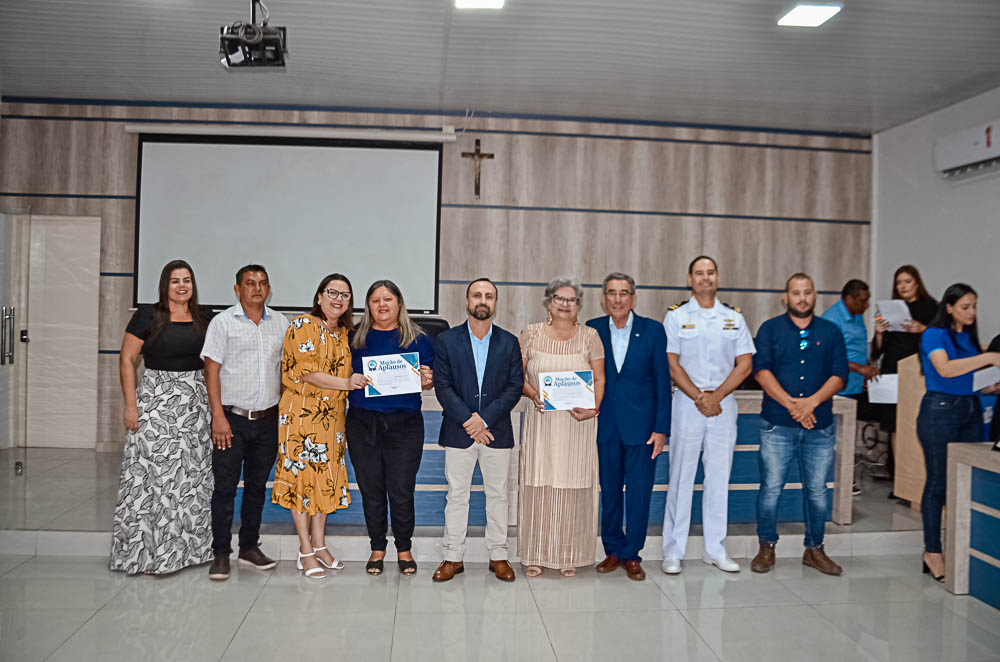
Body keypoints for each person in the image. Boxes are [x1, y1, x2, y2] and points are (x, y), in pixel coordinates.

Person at [111, 260, 214, 575]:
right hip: (155, 405)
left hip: (195, 406)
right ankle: (147, 554)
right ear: (164, 285)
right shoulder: (147, 316)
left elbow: (215, 363)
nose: (182, 286)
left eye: (187, 280)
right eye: (175, 281)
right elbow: (127, 360)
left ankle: (189, 553)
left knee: (191, 480)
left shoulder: (205, 318)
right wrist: (131, 405)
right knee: (154, 480)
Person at [750, 273, 848, 576]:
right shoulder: (770, 330)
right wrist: (793, 405)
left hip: (819, 427)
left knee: (818, 491)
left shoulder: (831, 332)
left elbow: (840, 374)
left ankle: (815, 549)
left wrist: (811, 403)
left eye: (807, 292)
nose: (802, 298)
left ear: (815, 295)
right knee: (771, 489)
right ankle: (766, 546)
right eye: (796, 293)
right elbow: (761, 371)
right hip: (777, 425)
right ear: (786, 297)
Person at [661, 257, 754, 575]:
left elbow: (745, 364)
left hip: (723, 404)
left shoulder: (733, 318)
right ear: (690, 279)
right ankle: (673, 550)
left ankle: (715, 549)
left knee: (718, 479)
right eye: (699, 273)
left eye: (710, 272)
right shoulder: (676, 316)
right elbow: (672, 363)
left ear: (718, 277)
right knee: (681, 478)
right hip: (687, 404)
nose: (705, 278)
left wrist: (716, 396)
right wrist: (701, 396)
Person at [272, 274, 368, 578]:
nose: (338, 299)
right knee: (301, 479)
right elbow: (307, 372)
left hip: (333, 418)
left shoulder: (345, 333)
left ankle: (319, 543)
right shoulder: (302, 326)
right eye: (332, 292)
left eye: (345, 295)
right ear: (319, 296)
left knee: (326, 478)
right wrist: (346, 383)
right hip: (300, 416)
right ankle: (304, 549)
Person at [432, 278, 525, 583]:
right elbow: (443, 387)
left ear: (495, 303)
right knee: (457, 496)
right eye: (477, 295)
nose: (482, 300)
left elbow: (513, 388)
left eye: (489, 296)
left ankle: (498, 556)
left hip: (495, 432)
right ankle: (452, 557)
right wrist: (470, 421)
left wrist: (483, 421)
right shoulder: (446, 340)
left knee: (498, 495)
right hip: (459, 431)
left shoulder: (509, 342)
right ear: (467, 301)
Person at [201, 265, 289, 581]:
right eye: (250, 283)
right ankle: (221, 553)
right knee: (224, 488)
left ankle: (249, 547)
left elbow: (285, 370)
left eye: (263, 283)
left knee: (256, 487)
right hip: (231, 420)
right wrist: (218, 417)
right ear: (237, 290)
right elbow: (211, 370)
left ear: (269, 288)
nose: (257, 288)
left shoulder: (280, 324)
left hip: (267, 420)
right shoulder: (223, 323)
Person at [585, 272, 670, 581]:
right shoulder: (592, 329)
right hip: (605, 426)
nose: (617, 299)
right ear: (604, 298)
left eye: (623, 293)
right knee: (609, 492)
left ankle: (633, 554)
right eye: (611, 293)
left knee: (638, 493)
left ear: (633, 298)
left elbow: (663, 381)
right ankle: (613, 551)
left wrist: (661, 429)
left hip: (643, 429)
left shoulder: (653, 331)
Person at [346, 280, 434, 576]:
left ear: (399, 304)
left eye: (388, 299)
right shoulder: (353, 337)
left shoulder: (419, 339)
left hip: (405, 426)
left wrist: (427, 379)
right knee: (371, 489)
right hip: (362, 424)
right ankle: (377, 548)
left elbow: (432, 379)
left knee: (401, 489)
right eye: (375, 300)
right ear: (368, 306)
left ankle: (404, 548)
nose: (382, 305)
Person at [518, 276, 605, 577]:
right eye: (559, 298)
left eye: (571, 300)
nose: (565, 304)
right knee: (539, 482)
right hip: (542, 421)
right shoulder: (531, 333)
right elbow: (517, 376)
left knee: (573, 483)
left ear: (579, 305)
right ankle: (535, 554)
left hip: (577, 424)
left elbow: (601, 378)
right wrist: (534, 395)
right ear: (548, 301)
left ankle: (570, 554)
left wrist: (594, 408)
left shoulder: (590, 336)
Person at [916, 284, 1000, 581]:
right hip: (940, 411)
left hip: (970, 408)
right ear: (949, 307)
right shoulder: (933, 335)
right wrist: (989, 357)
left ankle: (963, 546)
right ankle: (932, 551)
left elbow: (970, 380)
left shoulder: (968, 339)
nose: (972, 312)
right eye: (965, 306)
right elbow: (946, 370)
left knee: (967, 480)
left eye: (974, 306)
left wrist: (991, 385)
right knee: (938, 482)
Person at [870, 266, 938, 478]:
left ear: (917, 282)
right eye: (899, 282)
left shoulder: (931, 308)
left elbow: (942, 337)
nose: (903, 286)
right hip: (891, 369)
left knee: (912, 423)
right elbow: (878, 350)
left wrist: (923, 329)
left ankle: (915, 477)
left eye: (907, 281)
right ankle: (898, 478)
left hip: (916, 372)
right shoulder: (890, 309)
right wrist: (879, 333)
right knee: (893, 425)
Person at [821, 279, 878, 397]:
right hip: (837, 388)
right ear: (848, 299)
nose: (866, 305)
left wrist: (865, 364)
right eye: (862, 301)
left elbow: (855, 345)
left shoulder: (858, 314)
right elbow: (827, 357)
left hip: (856, 385)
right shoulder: (831, 320)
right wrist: (861, 369)